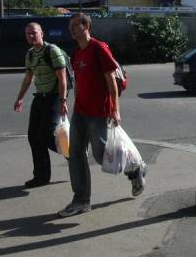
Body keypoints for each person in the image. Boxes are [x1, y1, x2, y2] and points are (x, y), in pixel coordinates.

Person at [58, 13, 147, 217]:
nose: (71, 29)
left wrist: (115, 109)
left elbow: (111, 82)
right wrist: (72, 104)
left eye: (75, 25)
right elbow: (79, 82)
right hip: (80, 112)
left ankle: (135, 170)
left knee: (101, 156)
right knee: (75, 155)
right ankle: (81, 200)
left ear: (86, 26)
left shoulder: (99, 48)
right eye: (69, 26)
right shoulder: (76, 53)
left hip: (100, 112)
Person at [14, 22, 68, 188]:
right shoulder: (30, 54)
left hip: (53, 97)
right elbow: (28, 79)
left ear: (42, 33)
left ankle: (72, 154)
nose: (31, 36)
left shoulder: (52, 51)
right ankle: (41, 177)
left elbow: (63, 79)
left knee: (45, 134)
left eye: (34, 33)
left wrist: (62, 100)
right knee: (33, 137)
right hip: (39, 98)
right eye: (28, 34)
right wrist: (20, 98)